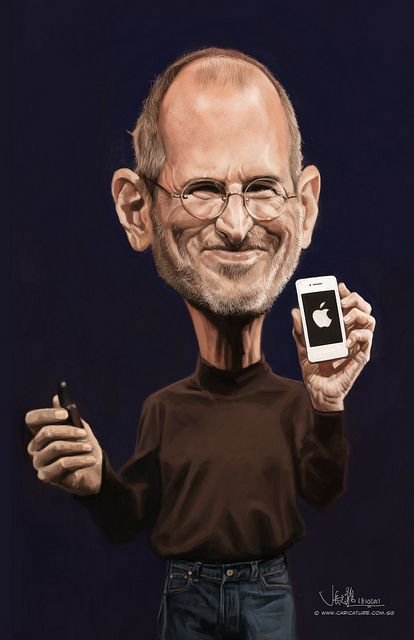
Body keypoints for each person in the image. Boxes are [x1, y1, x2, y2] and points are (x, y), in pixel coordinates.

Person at [25, 48, 375, 640]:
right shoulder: (163, 410)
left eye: (263, 188)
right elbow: (129, 517)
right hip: (186, 593)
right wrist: (96, 479)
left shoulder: (296, 404)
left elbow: (323, 491)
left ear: (306, 208)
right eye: (203, 190)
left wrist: (328, 402)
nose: (236, 227)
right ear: (138, 210)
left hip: (268, 594)